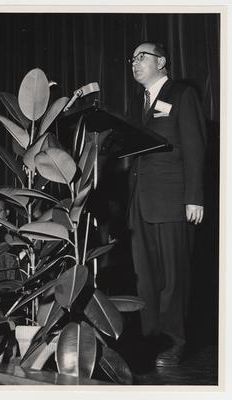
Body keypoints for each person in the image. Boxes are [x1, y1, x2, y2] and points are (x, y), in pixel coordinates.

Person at [127, 42, 206, 367]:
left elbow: (194, 146)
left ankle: (174, 341)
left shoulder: (182, 94)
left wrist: (194, 198)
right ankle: (151, 339)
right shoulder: (141, 104)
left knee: (174, 278)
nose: (134, 63)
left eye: (141, 57)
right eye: (132, 59)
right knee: (146, 278)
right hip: (142, 203)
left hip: (174, 201)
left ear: (161, 61)